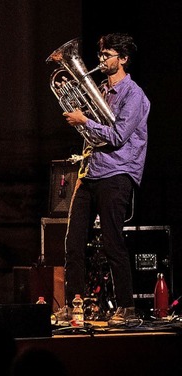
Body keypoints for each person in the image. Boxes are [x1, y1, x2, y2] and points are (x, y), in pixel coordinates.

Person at [61, 33, 149, 326]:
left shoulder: (134, 95)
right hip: (91, 171)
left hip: (118, 173)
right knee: (73, 243)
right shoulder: (100, 90)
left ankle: (127, 307)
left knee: (113, 243)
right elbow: (90, 133)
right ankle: (73, 305)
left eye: (108, 55)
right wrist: (76, 109)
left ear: (123, 59)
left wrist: (85, 120)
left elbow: (118, 136)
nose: (101, 60)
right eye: (100, 54)